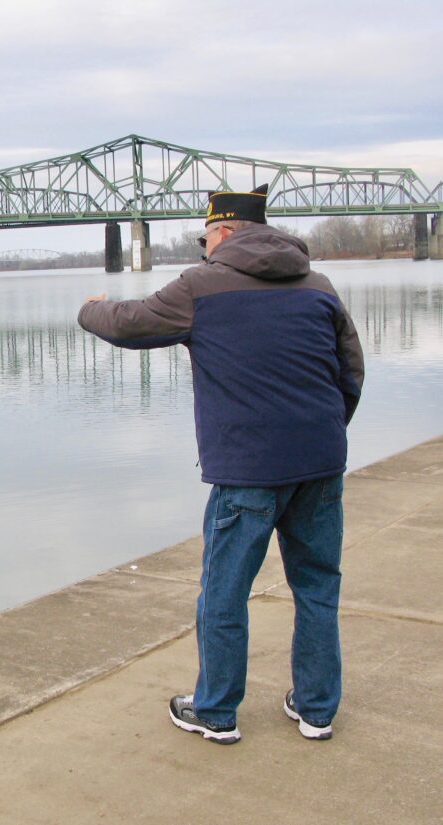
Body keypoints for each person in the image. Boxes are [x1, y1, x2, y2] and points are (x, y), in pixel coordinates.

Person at [78, 185, 364, 744]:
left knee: (224, 592)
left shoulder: (202, 287)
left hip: (247, 470)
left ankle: (216, 711)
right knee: (317, 586)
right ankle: (316, 710)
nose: (203, 247)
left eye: (204, 237)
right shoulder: (318, 286)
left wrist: (89, 309)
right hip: (320, 464)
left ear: (225, 231)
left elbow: (130, 322)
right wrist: (325, 434)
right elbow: (350, 371)